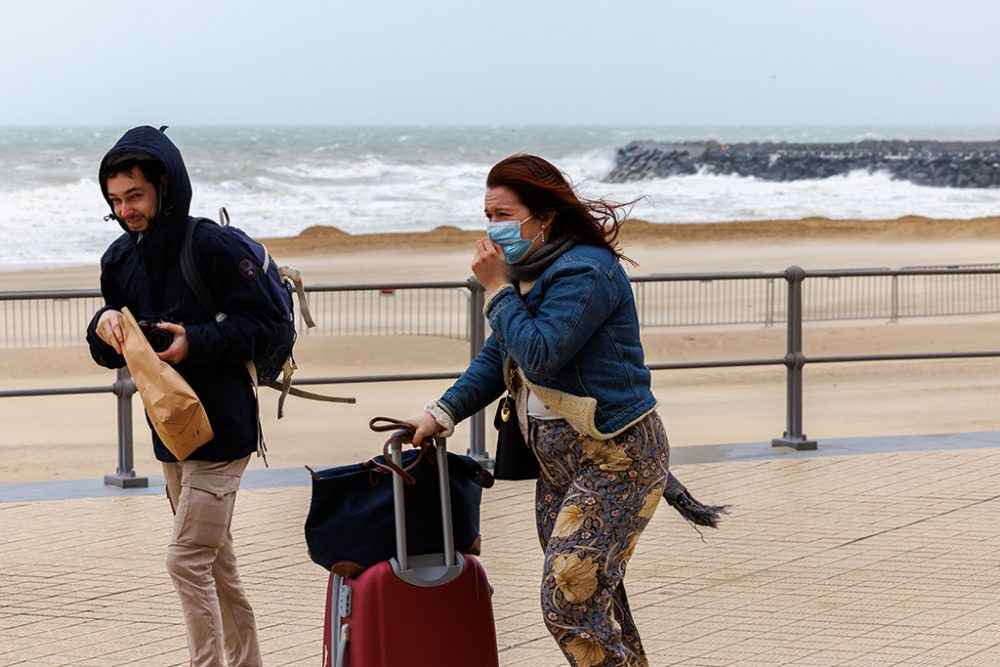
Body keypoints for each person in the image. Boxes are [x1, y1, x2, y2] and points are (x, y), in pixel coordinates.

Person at [408, 154, 725, 666]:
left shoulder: (585, 271)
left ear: (546, 215)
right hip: (559, 467)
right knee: (595, 599)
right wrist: (441, 413)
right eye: (487, 215)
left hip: (616, 459)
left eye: (504, 216)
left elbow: (541, 352)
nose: (493, 228)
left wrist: (495, 290)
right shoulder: (529, 272)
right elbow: (503, 354)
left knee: (567, 603)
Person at [86, 126, 284, 667]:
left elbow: (263, 325)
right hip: (170, 431)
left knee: (185, 558)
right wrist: (103, 325)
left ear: (164, 187)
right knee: (216, 563)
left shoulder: (210, 245)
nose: (125, 209)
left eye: (135, 195)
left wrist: (193, 340)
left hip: (224, 428)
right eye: (115, 199)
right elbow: (113, 350)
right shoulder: (118, 261)